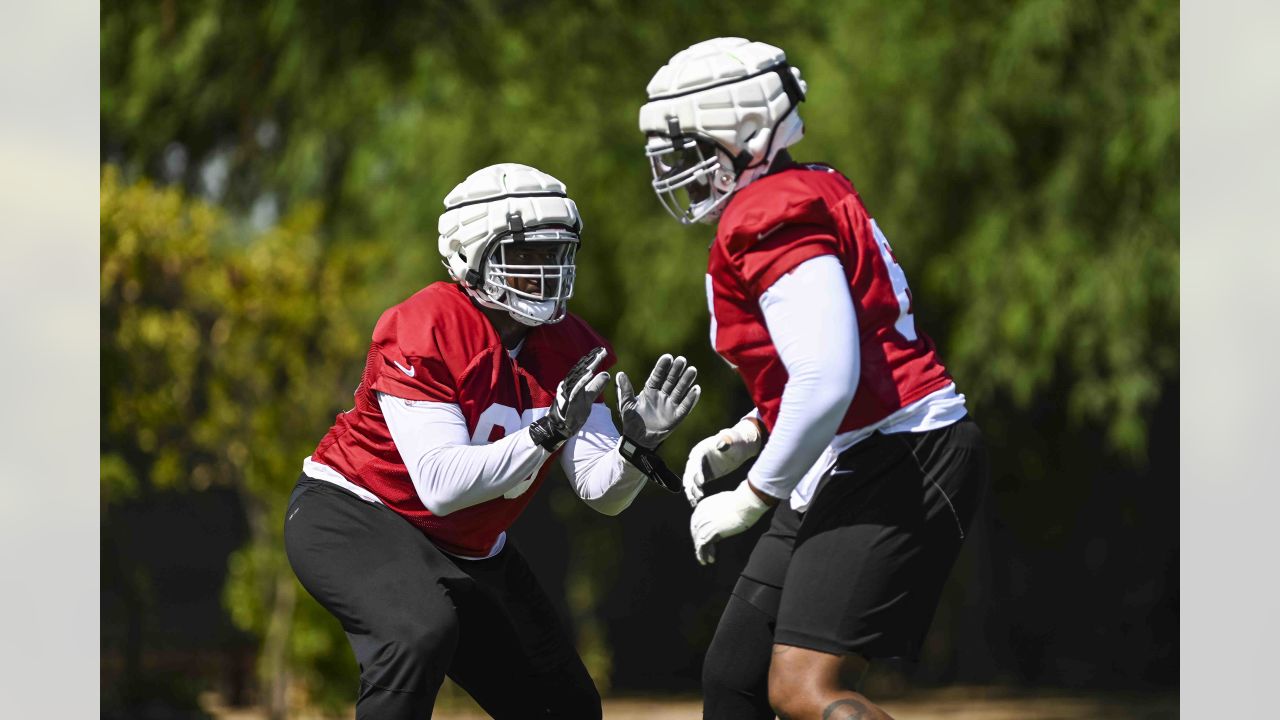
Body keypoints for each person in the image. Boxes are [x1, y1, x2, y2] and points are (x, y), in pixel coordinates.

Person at [638, 38, 990, 720]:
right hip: (852, 450)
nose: (679, 170)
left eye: (690, 149)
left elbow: (828, 376)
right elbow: (826, 357)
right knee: (733, 680)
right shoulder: (806, 187)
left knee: (802, 690)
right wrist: (751, 432)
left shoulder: (766, 213)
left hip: (898, 450)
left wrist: (750, 496)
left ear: (743, 129)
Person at [283, 163, 700, 718]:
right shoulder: (427, 323)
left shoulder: (568, 344)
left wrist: (633, 448)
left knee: (566, 707)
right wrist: (549, 428)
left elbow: (601, 492)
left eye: (556, 253)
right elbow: (440, 486)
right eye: (525, 255)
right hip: (358, 515)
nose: (546, 271)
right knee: (419, 634)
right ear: (469, 254)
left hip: (471, 546)